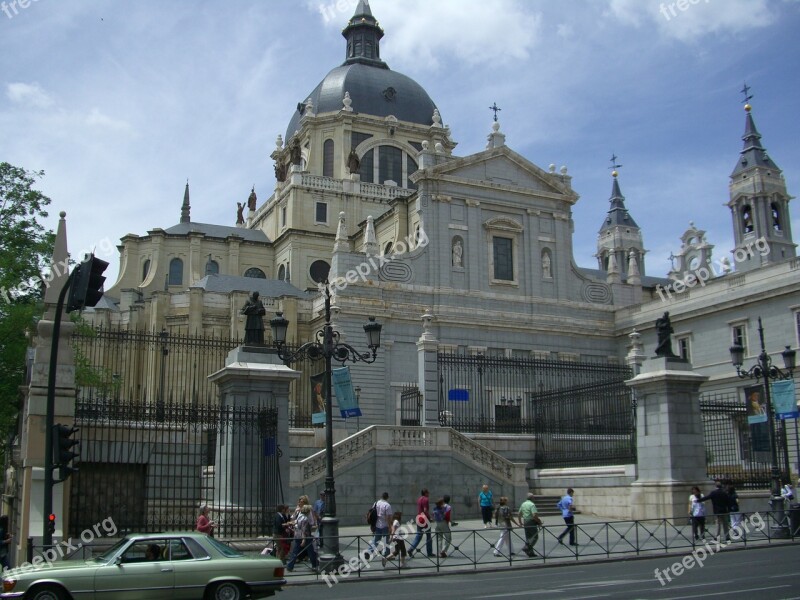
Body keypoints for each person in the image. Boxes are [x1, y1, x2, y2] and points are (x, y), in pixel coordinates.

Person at [286, 505, 318, 572]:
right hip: (306, 536)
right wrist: (304, 539)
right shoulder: (305, 519)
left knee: (295, 551)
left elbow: (297, 524)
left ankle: (290, 566)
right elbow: (304, 530)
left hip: (298, 535)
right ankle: (315, 565)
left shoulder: (300, 516)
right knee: (311, 551)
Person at [408, 488, 434, 558]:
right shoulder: (426, 499)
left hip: (419, 517)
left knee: (418, 536)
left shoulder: (419, 499)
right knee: (428, 536)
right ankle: (429, 552)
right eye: (428, 492)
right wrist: (430, 518)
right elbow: (425, 510)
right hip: (424, 519)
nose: (429, 494)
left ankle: (411, 549)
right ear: (425, 493)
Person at [367, 492, 392, 558]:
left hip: (377, 525)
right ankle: (386, 554)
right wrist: (390, 526)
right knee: (386, 541)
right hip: (385, 526)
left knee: (375, 540)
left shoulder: (376, 503)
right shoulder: (387, 505)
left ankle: (369, 551)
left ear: (381, 496)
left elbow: (372, 512)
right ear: (387, 497)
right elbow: (388, 517)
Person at [516, 492, 541, 557]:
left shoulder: (523, 504)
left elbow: (519, 514)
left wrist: (520, 522)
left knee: (528, 538)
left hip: (525, 521)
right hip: (531, 521)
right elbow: (534, 515)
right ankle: (527, 548)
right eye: (534, 497)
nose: (534, 498)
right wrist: (539, 522)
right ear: (532, 498)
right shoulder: (532, 505)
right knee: (535, 537)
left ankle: (530, 553)